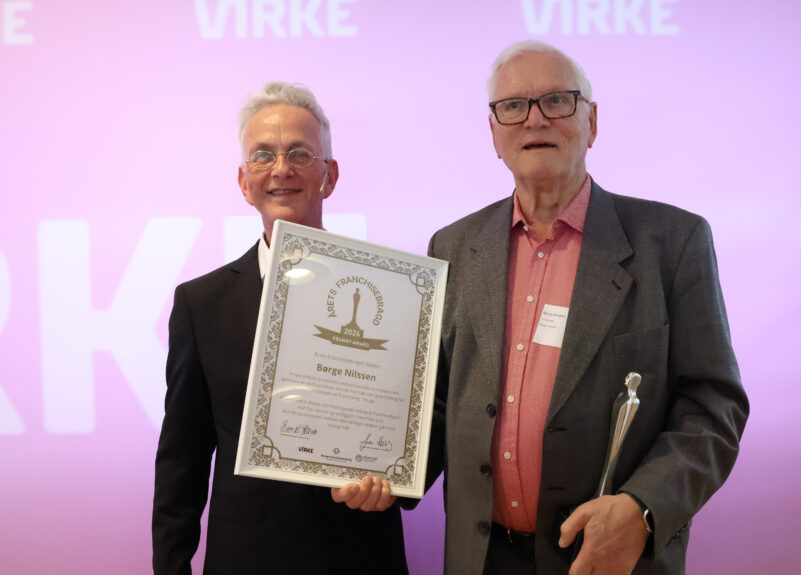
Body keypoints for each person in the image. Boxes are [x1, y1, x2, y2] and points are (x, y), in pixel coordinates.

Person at [426, 41, 750, 575]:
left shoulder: (673, 242)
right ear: (494, 133)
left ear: (592, 122)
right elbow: (437, 401)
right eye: (513, 106)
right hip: (482, 559)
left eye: (557, 100)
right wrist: (379, 467)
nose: (534, 119)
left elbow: (713, 406)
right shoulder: (453, 247)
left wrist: (643, 508)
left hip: (607, 559)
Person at [152, 82, 407, 575]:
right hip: (247, 559)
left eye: (300, 153)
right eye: (263, 155)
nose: (281, 169)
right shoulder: (201, 305)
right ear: (244, 181)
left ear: (330, 176)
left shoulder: (394, 292)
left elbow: (420, 419)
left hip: (360, 555)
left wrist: (397, 486)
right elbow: (182, 459)